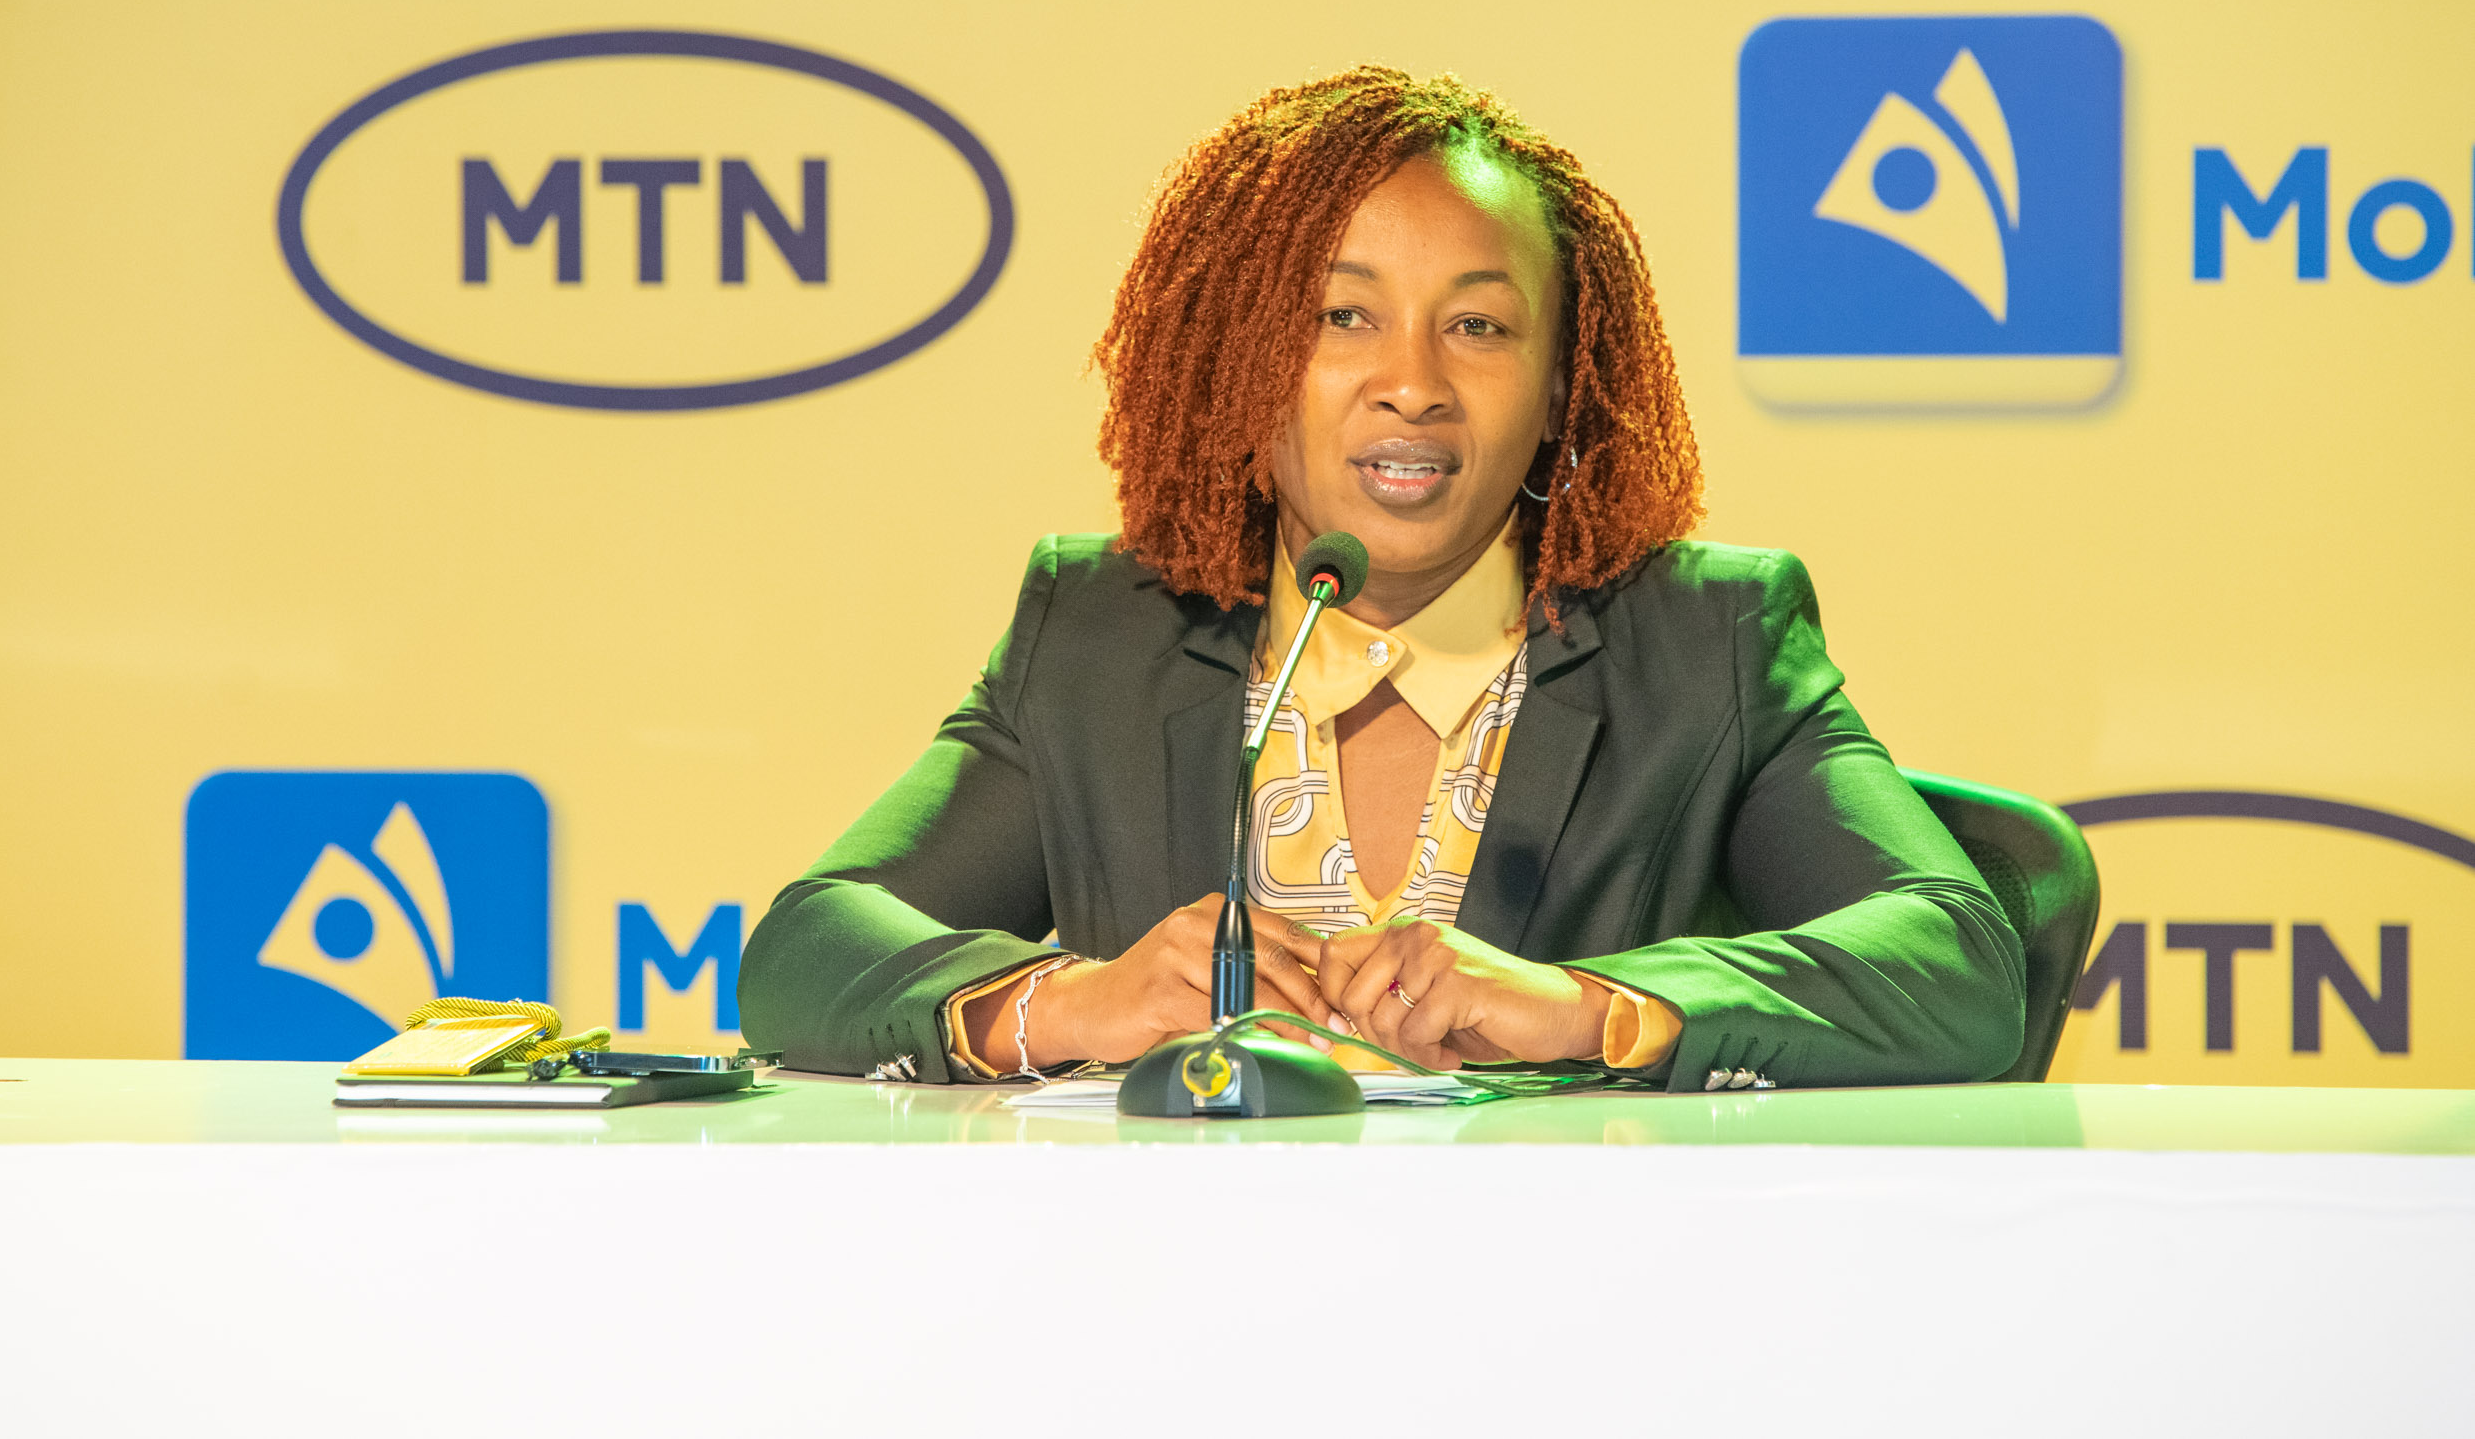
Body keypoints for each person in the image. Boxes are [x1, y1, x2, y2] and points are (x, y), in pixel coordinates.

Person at [737, 67, 2025, 1091]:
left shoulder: (1705, 641)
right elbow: (808, 945)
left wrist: (1592, 1009)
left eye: (1478, 326)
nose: (1412, 383)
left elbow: (1959, 956)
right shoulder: (1102, 631)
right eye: (1340, 316)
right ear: (1240, 359)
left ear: (1562, 384)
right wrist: (1071, 1004)